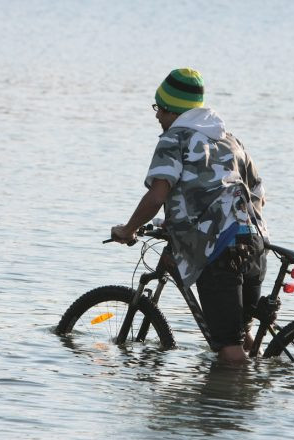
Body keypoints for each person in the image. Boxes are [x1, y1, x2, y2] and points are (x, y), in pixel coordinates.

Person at [111, 68, 268, 362]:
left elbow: (157, 195)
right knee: (242, 337)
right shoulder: (230, 140)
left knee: (229, 350)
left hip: (220, 249)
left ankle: (239, 405)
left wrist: (129, 229)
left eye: (160, 108)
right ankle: (246, 391)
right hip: (254, 243)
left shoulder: (175, 139)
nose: (157, 116)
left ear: (173, 109)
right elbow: (257, 192)